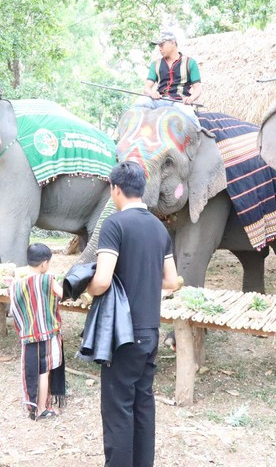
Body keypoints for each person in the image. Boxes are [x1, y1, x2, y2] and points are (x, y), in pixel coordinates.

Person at [87, 161, 181, 467]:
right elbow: (171, 280)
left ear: (116, 189)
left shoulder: (114, 225)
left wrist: (87, 286)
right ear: (141, 188)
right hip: (150, 332)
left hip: (123, 335)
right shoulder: (159, 227)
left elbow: (102, 280)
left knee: (117, 409)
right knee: (143, 404)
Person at [9, 243, 66, 421]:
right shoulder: (48, 280)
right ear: (44, 264)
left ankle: (34, 405)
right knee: (44, 372)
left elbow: (14, 310)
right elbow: (62, 294)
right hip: (47, 334)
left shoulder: (16, 285)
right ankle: (42, 409)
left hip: (28, 335)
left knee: (33, 371)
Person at [135, 30, 202, 113]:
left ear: (173, 43)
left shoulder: (190, 62)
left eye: (162, 45)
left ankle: (198, 127)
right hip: (159, 100)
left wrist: (190, 99)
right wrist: (152, 93)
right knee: (140, 102)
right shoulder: (155, 64)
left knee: (189, 115)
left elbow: (198, 89)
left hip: (179, 102)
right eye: (159, 46)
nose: (159, 48)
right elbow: (146, 88)